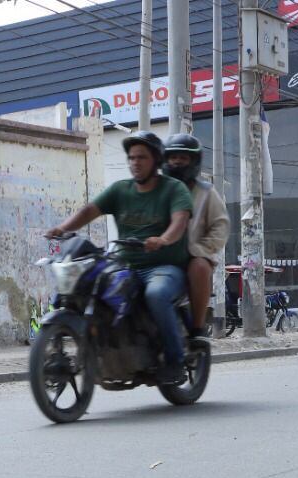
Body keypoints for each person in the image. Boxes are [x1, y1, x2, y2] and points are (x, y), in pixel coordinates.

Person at [46, 131, 192, 383]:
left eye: (142, 158)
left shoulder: (173, 189)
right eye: (132, 158)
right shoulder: (120, 190)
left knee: (155, 294)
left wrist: (164, 239)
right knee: (88, 286)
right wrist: (64, 228)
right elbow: (90, 210)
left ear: (156, 161)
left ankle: (175, 360)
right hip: (125, 264)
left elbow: (180, 220)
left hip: (164, 267)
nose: (135, 162)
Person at [160, 132, 229, 337]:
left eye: (183, 158)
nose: (177, 163)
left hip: (192, 256)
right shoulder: (157, 189)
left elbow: (221, 226)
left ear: (193, 161)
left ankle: (197, 330)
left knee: (199, 266)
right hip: (159, 254)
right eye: (173, 158)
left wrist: (200, 249)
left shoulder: (206, 192)